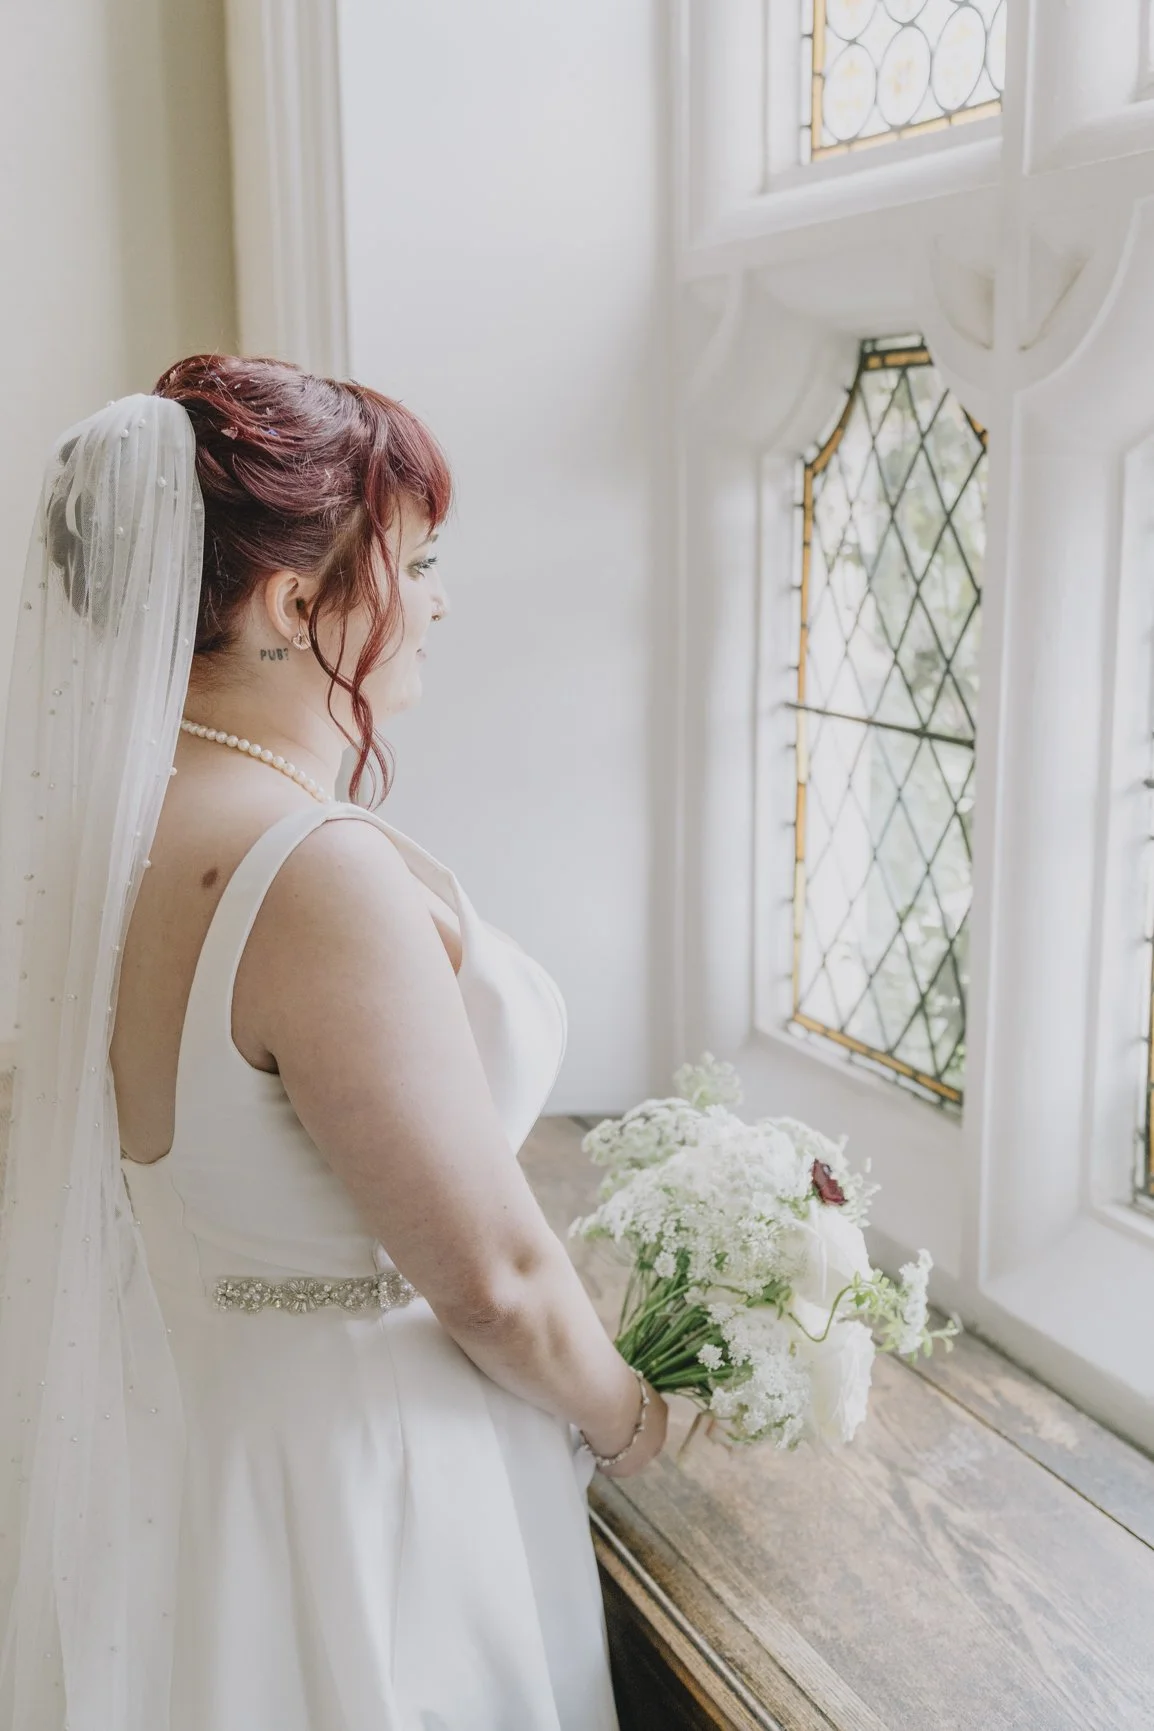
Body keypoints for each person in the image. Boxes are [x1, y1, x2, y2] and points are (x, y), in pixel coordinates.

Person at [0, 354, 667, 1731]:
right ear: (294, 603)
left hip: (184, 1458)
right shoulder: (309, 868)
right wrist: (630, 1417)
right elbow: (488, 1275)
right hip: (362, 1494)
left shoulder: (95, 837)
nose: (434, 600)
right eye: (413, 560)